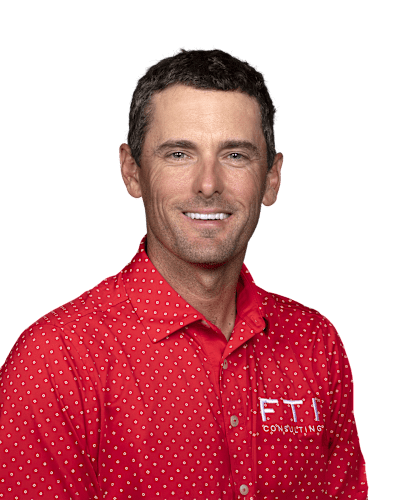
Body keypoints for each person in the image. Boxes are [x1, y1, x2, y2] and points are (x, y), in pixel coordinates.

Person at [0, 48, 368, 499]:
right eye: (178, 154)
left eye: (235, 155)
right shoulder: (55, 360)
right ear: (132, 172)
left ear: (272, 179)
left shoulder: (316, 343)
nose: (208, 184)